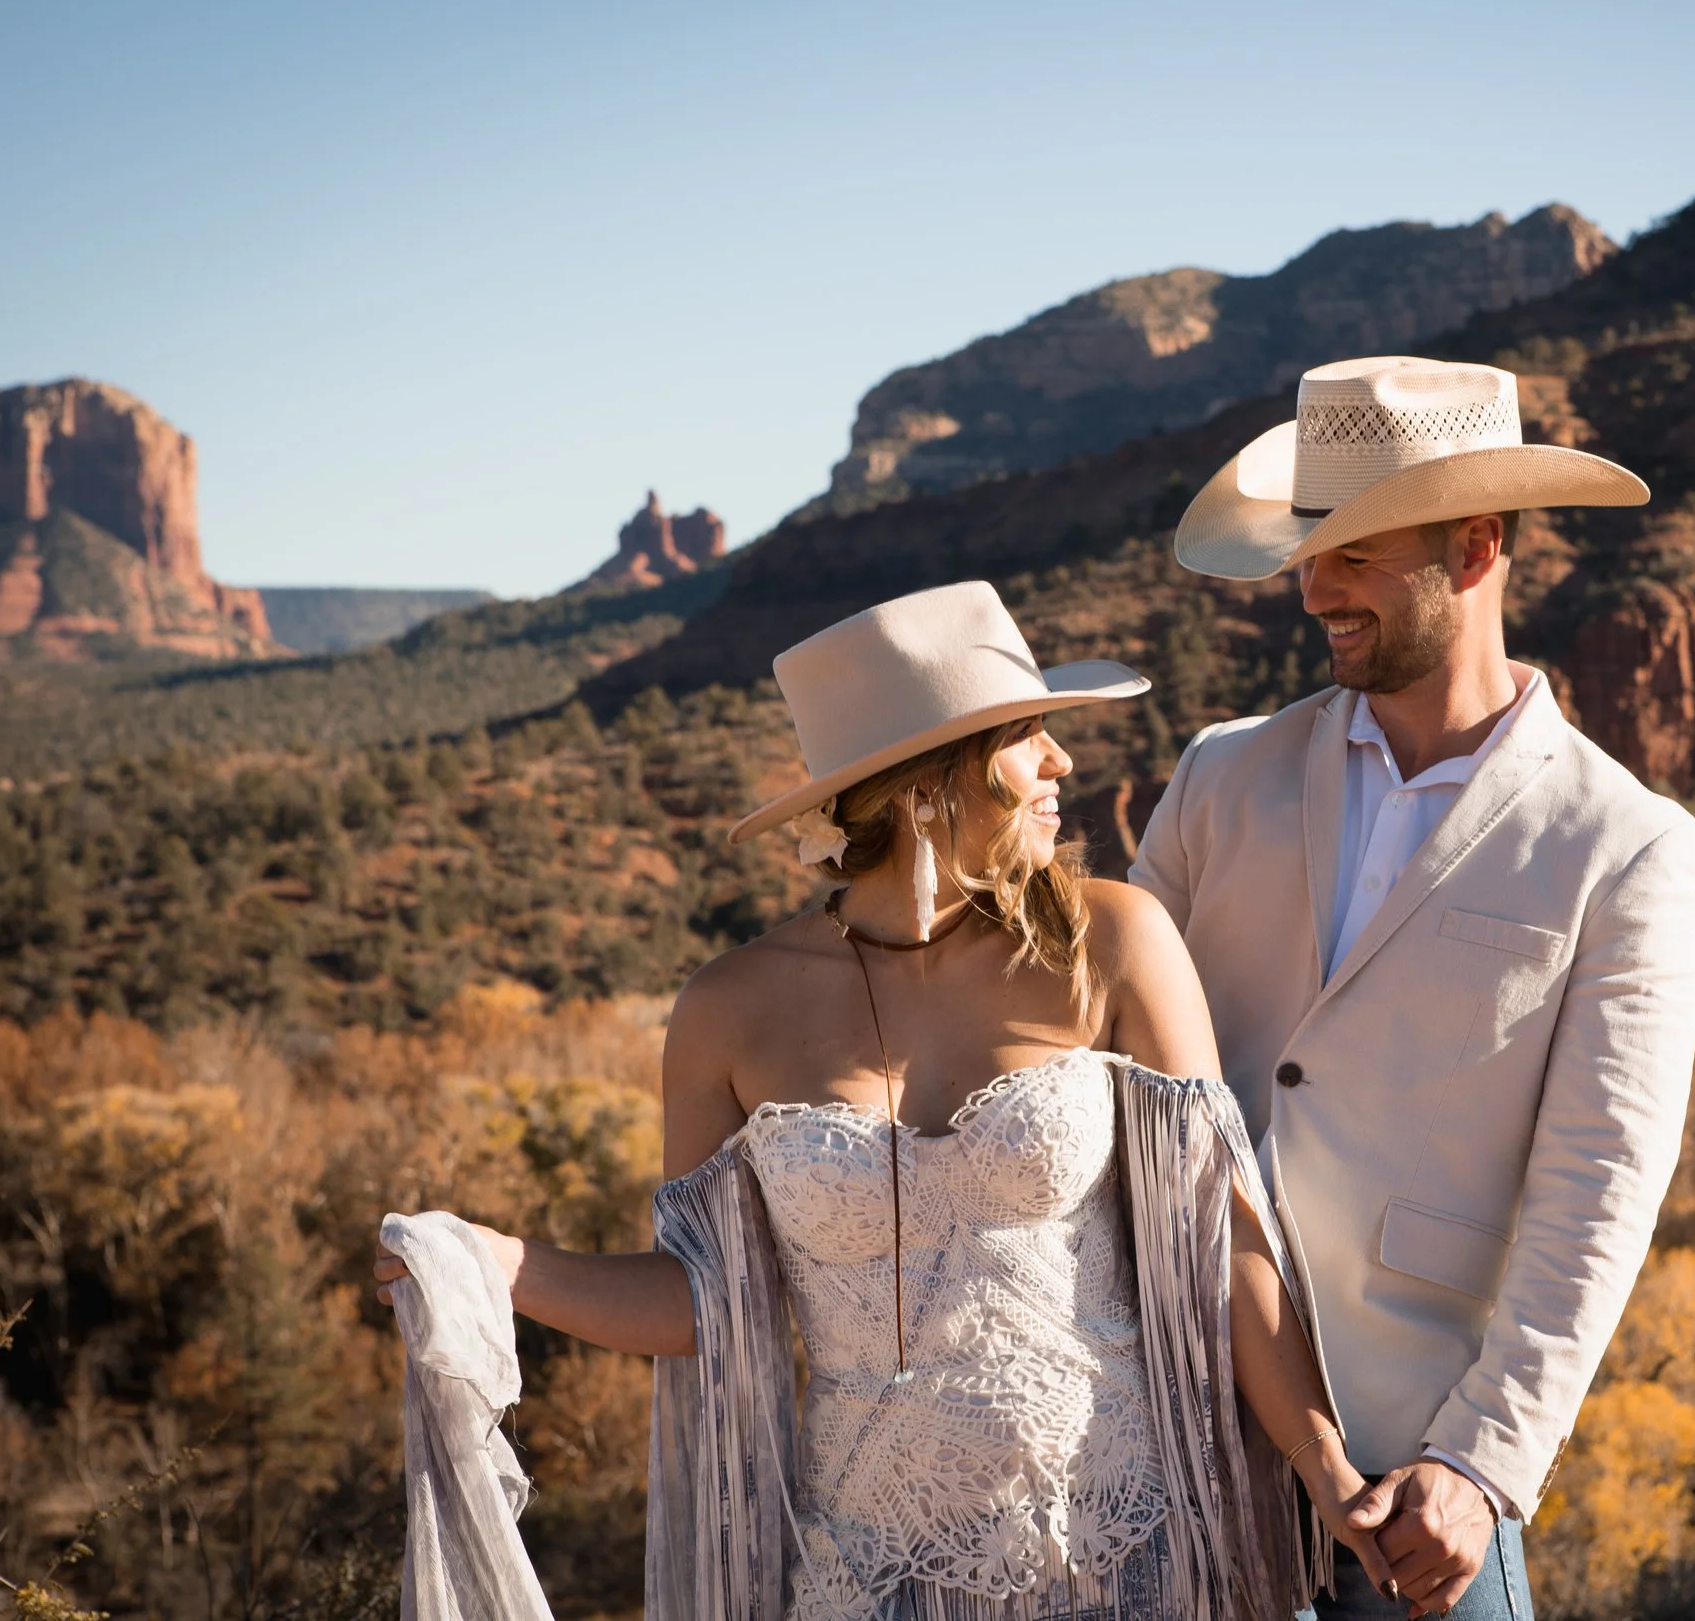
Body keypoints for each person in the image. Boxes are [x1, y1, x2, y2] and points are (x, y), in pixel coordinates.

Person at [376, 581, 1384, 1621]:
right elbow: (703, 1304)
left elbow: (1225, 1245)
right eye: (1025, 734)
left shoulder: (1113, 942)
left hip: (1133, 1553)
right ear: (925, 784)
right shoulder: (730, 1009)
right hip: (872, 1575)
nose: (1061, 763)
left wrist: (1328, 1470)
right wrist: (499, 1261)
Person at [1130, 357, 1695, 1620]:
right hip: (1158, 1431)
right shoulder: (1219, 777)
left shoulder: (1625, 844)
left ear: (1477, 545)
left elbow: (1598, 1189)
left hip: (1413, 1485)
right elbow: (1111, 1072)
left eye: (1351, 552)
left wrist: (1482, 1459)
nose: (1311, 588)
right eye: (1306, 547)